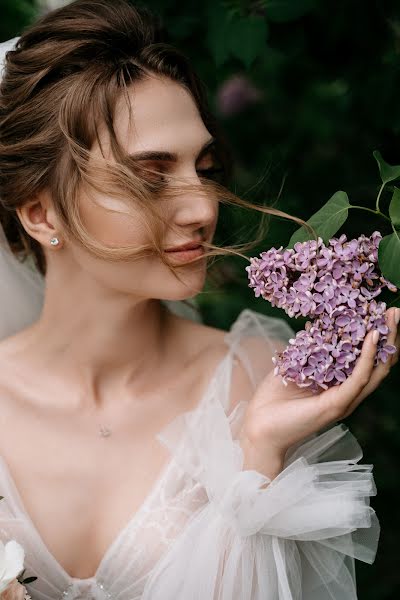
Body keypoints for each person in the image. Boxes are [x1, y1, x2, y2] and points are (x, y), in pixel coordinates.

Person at [0, 1, 398, 599]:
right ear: (40, 212)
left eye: (205, 170)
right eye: (151, 177)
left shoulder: (262, 378)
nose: (204, 208)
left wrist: (260, 452)